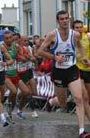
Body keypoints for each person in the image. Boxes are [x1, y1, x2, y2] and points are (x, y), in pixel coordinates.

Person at [37, 10, 90, 138]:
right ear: (58, 21)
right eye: (62, 19)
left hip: (72, 69)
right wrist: (54, 57)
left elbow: (79, 46)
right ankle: (51, 102)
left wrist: (83, 57)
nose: (65, 21)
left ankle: (81, 131)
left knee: (79, 98)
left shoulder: (76, 35)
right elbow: (39, 51)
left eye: (66, 18)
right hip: (58, 72)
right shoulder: (52, 35)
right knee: (63, 103)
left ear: (69, 19)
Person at [3, 31, 29, 121]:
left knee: (26, 92)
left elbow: (22, 56)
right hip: (6, 74)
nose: (9, 40)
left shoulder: (16, 46)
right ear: (4, 39)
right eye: (7, 38)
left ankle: (19, 111)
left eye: (10, 38)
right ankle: (8, 108)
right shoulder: (1, 47)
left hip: (15, 74)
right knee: (14, 92)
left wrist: (22, 57)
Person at [73, 20, 90, 120]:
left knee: (88, 97)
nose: (79, 29)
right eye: (77, 28)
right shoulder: (71, 39)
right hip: (77, 69)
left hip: (88, 69)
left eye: (80, 27)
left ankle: (52, 101)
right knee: (85, 97)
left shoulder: (87, 37)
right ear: (73, 29)